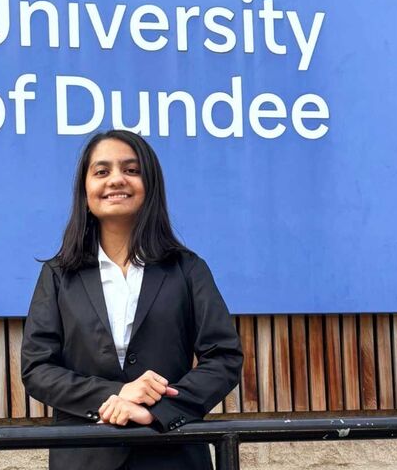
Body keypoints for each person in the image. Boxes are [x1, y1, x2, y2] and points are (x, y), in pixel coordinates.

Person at [21, 129, 244, 470]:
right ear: (85, 191)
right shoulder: (58, 274)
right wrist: (114, 395)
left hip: (171, 452)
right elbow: (37, 368)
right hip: (85, 457)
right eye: (101, 171)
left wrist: (154, 409)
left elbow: (224, 358)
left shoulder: (187, 269)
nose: (116, 180)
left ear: (150, 185)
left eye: (131, 170)